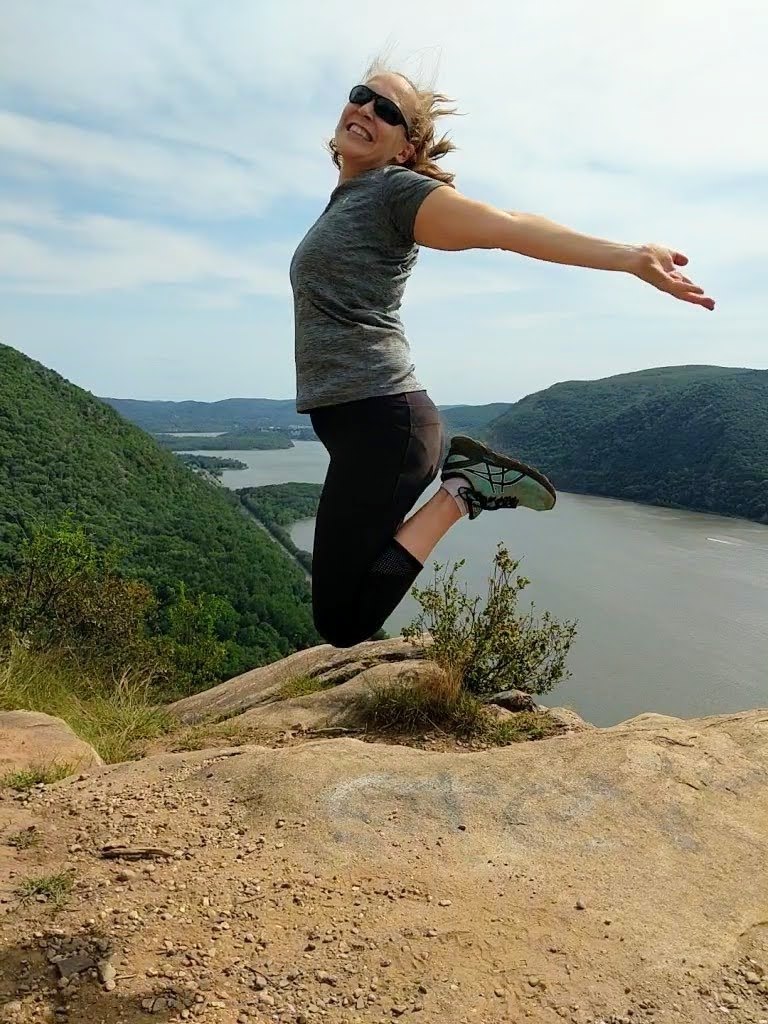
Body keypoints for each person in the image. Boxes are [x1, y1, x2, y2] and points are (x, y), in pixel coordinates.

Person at [289, 65, 715, 650]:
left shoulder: (396, 193)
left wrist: (630, 256)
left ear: (405, 147)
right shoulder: (348, 200)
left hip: (382, 423)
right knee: (345, 601)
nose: (367, 110)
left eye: (388, 112)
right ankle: (464, 486)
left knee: (342, 621)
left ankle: (462, 490)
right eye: (362, 96)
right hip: (363, 424)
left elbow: (510, 227)